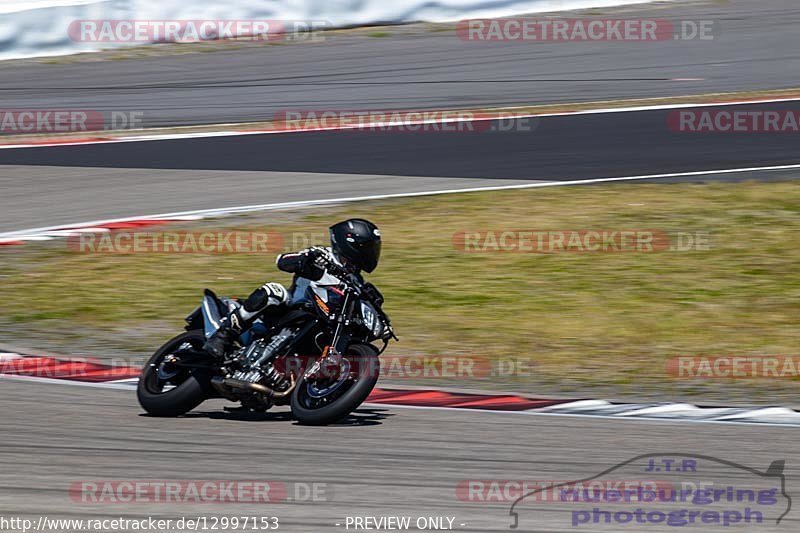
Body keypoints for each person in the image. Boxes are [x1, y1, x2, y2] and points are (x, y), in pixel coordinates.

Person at [203, 218, 382, 358]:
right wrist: (306, 259)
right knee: (275, 291)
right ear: (348, 242)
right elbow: (282, 261)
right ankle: (223, 335)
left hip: (325, 319)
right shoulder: (323, 255)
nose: (371, 253)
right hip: (293, 307)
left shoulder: (356, 280)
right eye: (368, 248)